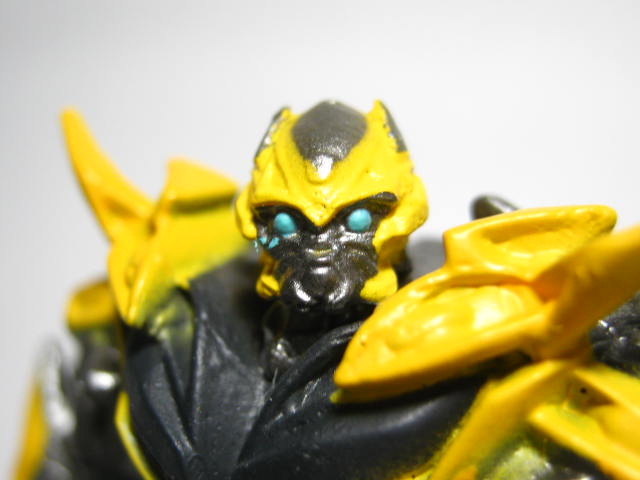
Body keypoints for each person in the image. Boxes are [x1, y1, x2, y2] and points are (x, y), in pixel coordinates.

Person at [15, 101, 640, 480]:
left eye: (355, 220)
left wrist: (610, 332)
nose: (320, 247)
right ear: (255, 221)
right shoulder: (182, 309)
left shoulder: (461, 322)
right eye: (288, 224)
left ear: (398, 216)